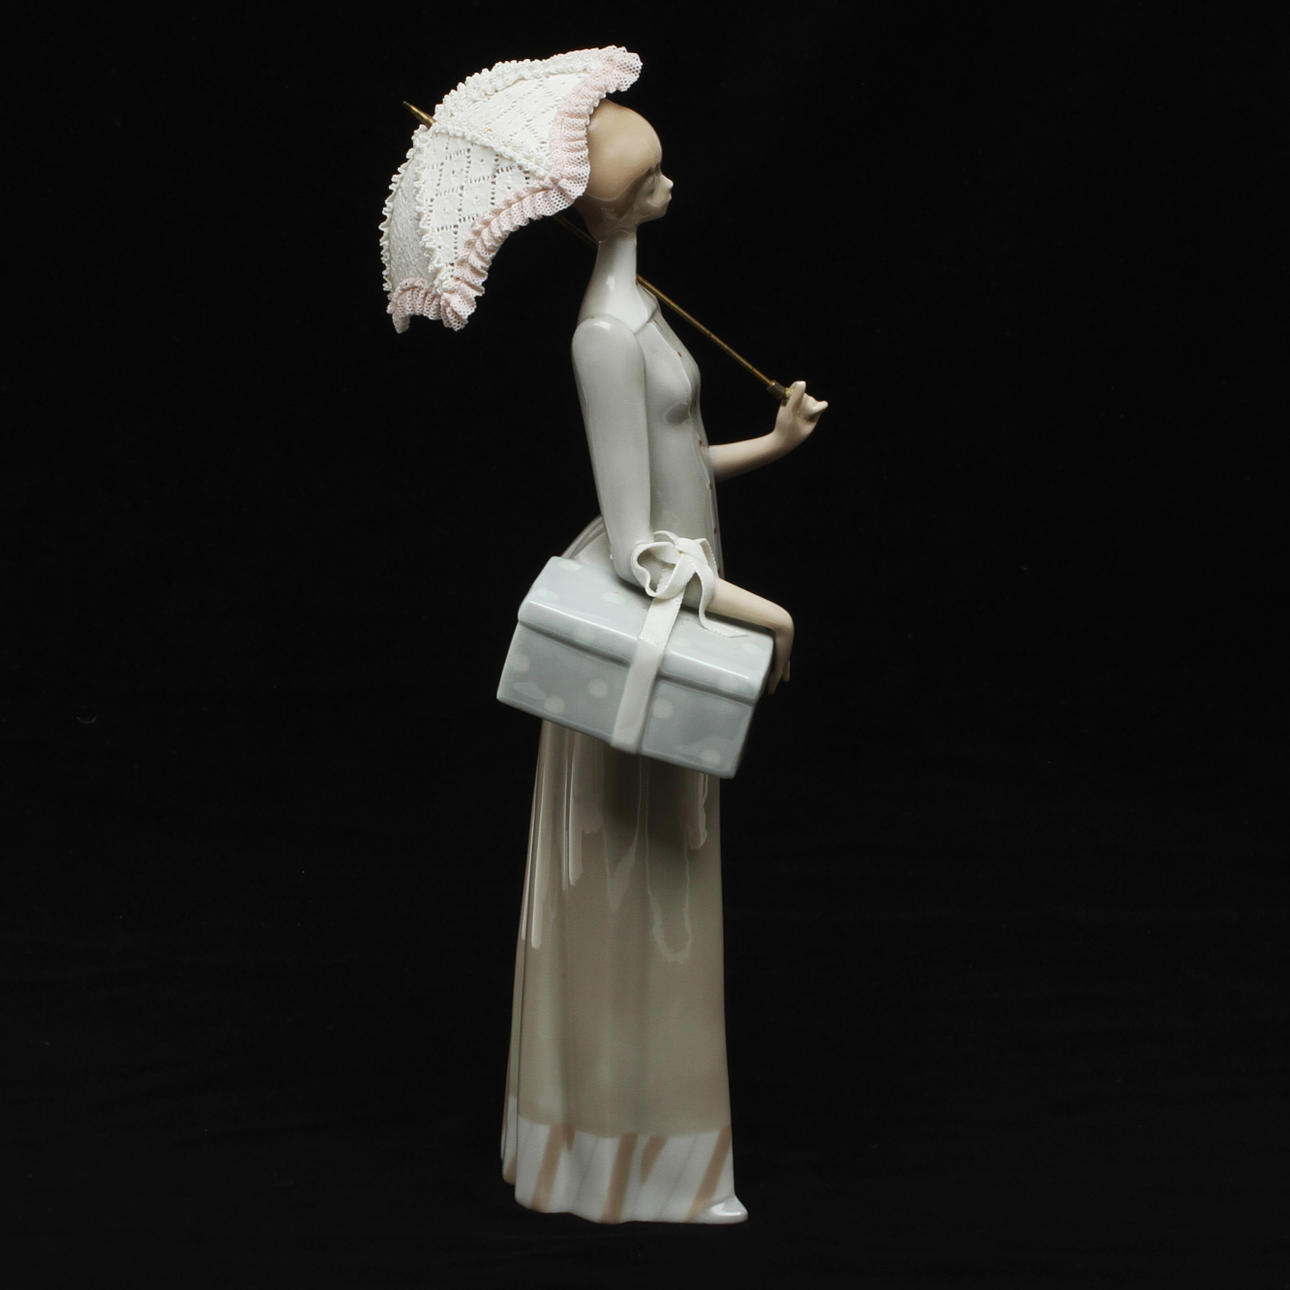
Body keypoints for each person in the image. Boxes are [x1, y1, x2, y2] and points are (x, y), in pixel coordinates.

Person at [501, 98, 827, 1224]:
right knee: (637, 883)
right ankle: (625, 1160)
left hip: (681, 606)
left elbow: (679, 458)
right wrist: (768, 615)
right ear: (608, 210)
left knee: (672, 881)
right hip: (645, 629)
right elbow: (642, 549)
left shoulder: (639, 305)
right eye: (648, 180)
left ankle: (664, 1157)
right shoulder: (603, 333)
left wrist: (774, 442)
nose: (669, 184)